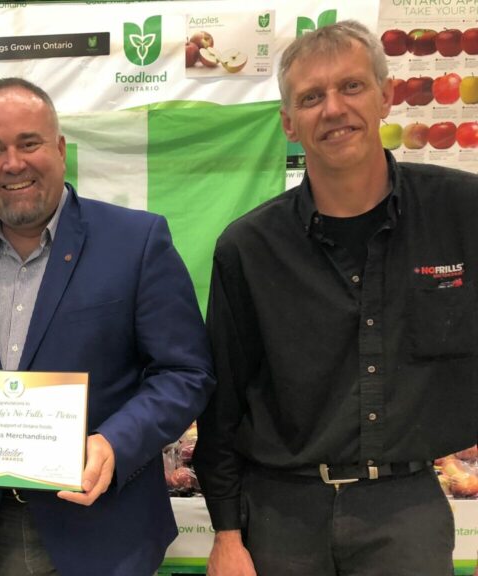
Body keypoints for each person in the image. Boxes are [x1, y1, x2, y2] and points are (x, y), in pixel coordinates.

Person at [194, 20, 478, 576]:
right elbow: (221, 404)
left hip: (407, 510)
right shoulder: (249, 249)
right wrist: (227, 534)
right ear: (289, 123)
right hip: (280, 513)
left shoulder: (462, 215)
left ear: (386, 95)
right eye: (311, 97)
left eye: (351, 87)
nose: (333, 108)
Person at [0, 78, 215, 576]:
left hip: (107, 533)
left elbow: (185, 372)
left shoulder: (136, 241)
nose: (13, 163)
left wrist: (114, 442)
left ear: (61, 149)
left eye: (29, 143)